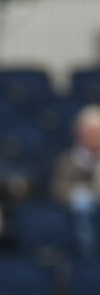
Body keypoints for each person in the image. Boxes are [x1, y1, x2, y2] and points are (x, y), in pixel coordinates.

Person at [52, 104, 100, 257]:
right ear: (80, 133)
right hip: (78, 211)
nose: (94, 136)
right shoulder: (69, 159)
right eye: (90, 131)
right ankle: (87, 254)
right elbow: (59, 188)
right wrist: (78, 193)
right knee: (83, 204)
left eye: (97, 131)